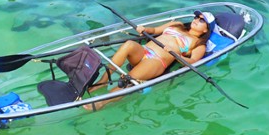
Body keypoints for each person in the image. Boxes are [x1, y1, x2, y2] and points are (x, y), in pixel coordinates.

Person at [85, 11, 214, 110]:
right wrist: (144, 29)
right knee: (129, 43)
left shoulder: (198, 44)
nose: (197, 19)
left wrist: (175, 54)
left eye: (202, 20)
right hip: (144, 51)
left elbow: (193, 62)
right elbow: (155, 30)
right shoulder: (177, 25)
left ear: (206, 30)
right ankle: (103, 81)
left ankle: (102, 101)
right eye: (197, 17)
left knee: (128, 81)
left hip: (156, 61)